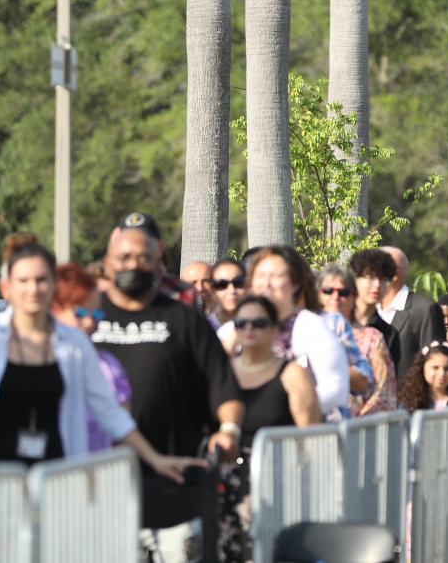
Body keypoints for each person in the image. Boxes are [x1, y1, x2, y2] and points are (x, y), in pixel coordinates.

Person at [0, 238, 201, 487]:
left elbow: (111, 413)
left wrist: (155, 459)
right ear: (6, 287)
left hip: (60, 482)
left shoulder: (74, 342)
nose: (33, 289)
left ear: (53, 284)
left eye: (41, 280)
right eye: (23, 280)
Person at [92, 222, 244, 561]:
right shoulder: (88, 318)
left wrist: (229, 431)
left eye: (143, 258)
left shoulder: (185, 320)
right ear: (107, 263)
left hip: (174, 490)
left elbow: (223, 387)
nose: (133, 265)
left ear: (159, 263)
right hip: (99, 492)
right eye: (124, 258)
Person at [217, 296, 321, 563]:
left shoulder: (292, 373)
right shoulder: (221, 373)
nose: (249, 329)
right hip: (226, 485)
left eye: (259, 323)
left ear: (275, 328)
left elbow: (312, 439)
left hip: (276, 485)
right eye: (241, 323)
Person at [218, 247, 350, 419]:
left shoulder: (312, 327)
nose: (267, 283)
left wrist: (283, 407)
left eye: (276, 276)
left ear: (295, 284)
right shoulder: (232, 329)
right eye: (260, 276)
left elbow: (337, 389)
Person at [51, 262, 133, 452]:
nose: (89, 322)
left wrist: (156, 460)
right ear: (54, 308)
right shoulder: (27, 361)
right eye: (79, 312)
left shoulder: (108, 365)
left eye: (96, 313)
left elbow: (122, 434)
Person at [317, 267, 397, 416]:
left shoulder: (372, 338)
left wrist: (355, 423)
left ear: (354, 297)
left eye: (343, 292)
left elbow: (383, 392)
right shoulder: (305, 330)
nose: (335, 297)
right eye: (328, 291)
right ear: (319, 295)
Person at [377, 247, 447, 375]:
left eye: (375, 268)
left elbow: (435, 364)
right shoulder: (367, 309)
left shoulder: (425, 309)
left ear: (395, 273)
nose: (369, 275)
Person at [347, 249, 402, 368]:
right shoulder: (338, 320)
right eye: (370, 277)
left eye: (383, 279)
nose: (377, 284)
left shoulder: (389, 334)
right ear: (355, 278)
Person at [398, 341, 448, 411]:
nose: (441, 373)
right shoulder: (410, 403)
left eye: (447, 368)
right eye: (435, 368)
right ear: (422, 368)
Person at [210, 259, 247, 328]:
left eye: (238, 283)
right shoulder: (202, 328)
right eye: (221, 284)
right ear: (212, 291)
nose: (232, 291)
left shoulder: (262, 327)